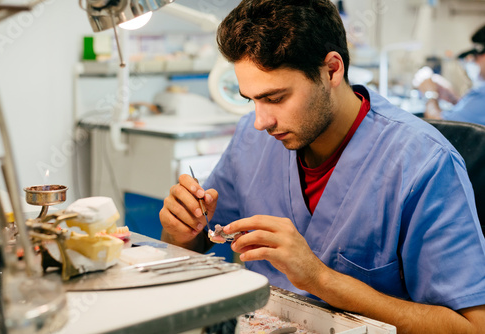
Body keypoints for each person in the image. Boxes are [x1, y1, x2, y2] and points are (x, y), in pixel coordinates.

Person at [160, 1, 485, 332]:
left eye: (275, 98)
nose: (261, 121)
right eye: (251, 99)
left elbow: (472, 328)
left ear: (332, 70)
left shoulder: (422, 165)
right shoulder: (252, 139)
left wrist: (320, 279)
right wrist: (181, 230)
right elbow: (198, 242)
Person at [416, 24, 485, 125]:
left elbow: (442, 125)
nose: (474, 61)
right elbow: (471, 116)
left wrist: (430, 94)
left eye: (476, 56)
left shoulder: (482, 93)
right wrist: (454, 98)